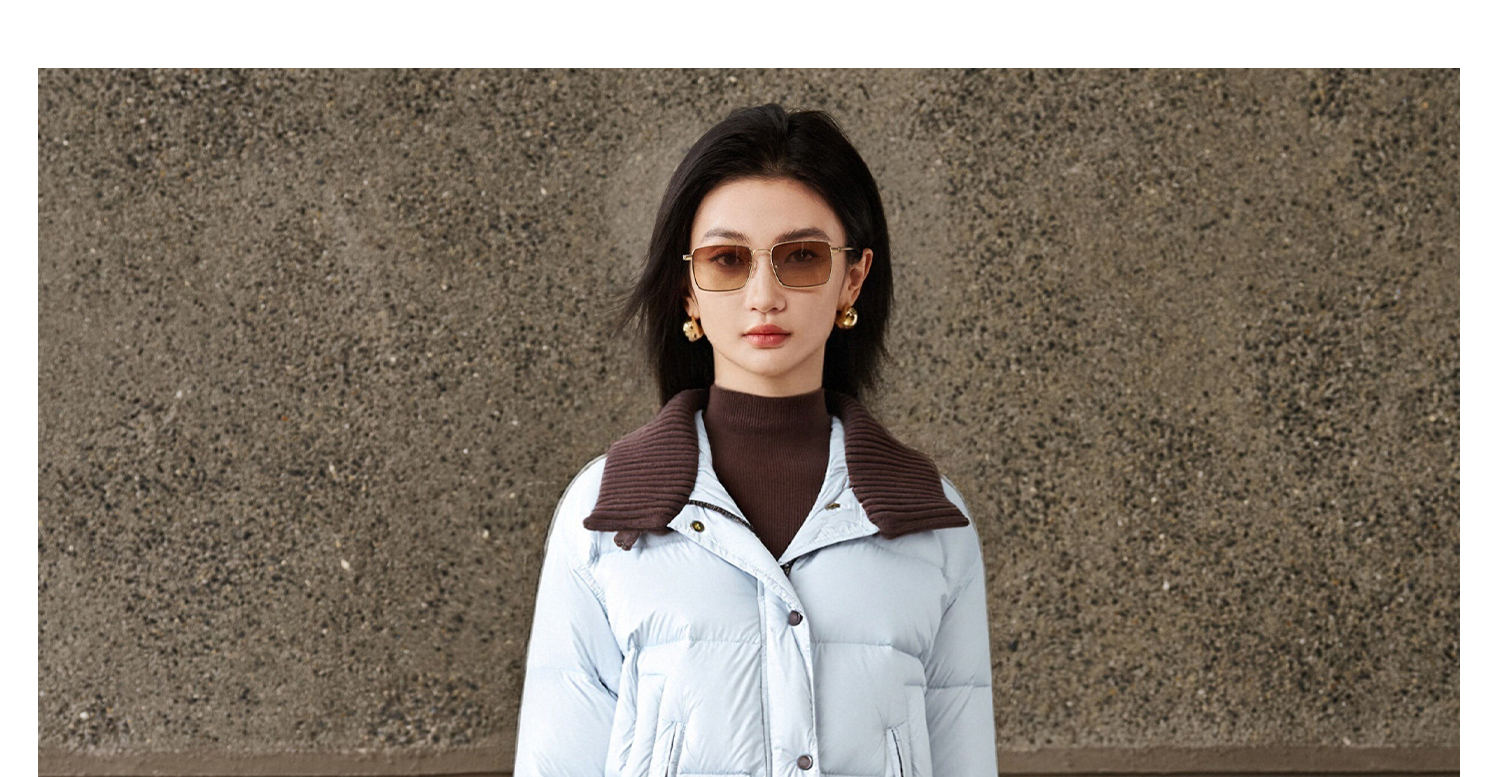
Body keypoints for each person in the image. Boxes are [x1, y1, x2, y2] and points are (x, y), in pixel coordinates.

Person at [513, 103, 997, 777]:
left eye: (801, 257)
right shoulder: (603, 515)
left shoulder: (931, 521)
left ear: (852, 278)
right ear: (687, 288)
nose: (764, 294)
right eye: (727, 260)